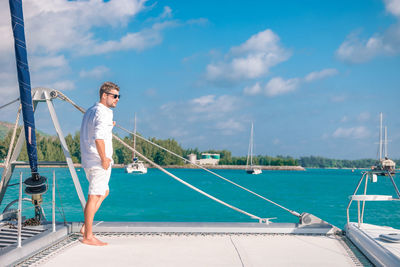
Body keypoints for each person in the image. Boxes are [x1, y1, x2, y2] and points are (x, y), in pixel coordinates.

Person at [79, 81, 120, 246]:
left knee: (104, 191)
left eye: (118, 96)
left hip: (88, 159)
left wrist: (110, 127)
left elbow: (95, 130)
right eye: (114, 96)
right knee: (94, 195)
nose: (117, 99)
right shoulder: (105, 113)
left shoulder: (91, 111)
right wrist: (104, 158)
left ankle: (85, 227)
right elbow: (98, 138)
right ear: (104, 95)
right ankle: (88, 236)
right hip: (98, 161)